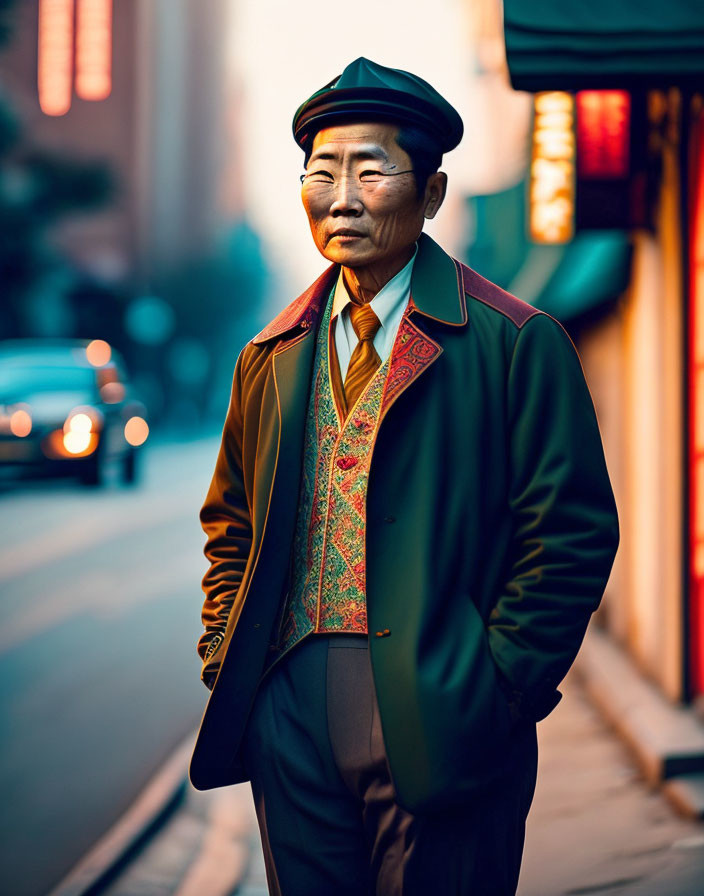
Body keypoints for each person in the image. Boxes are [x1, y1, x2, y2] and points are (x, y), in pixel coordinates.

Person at [190, 57, 620, 895]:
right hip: (289, 706)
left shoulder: (512, 342)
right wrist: (223, 651)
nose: (341, 196)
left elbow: (570, 535)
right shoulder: (270, 357)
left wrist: (497, 689)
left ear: (430, 194)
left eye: (369, 169)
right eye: (321, 172)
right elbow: (230, 521)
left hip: (443, 709)